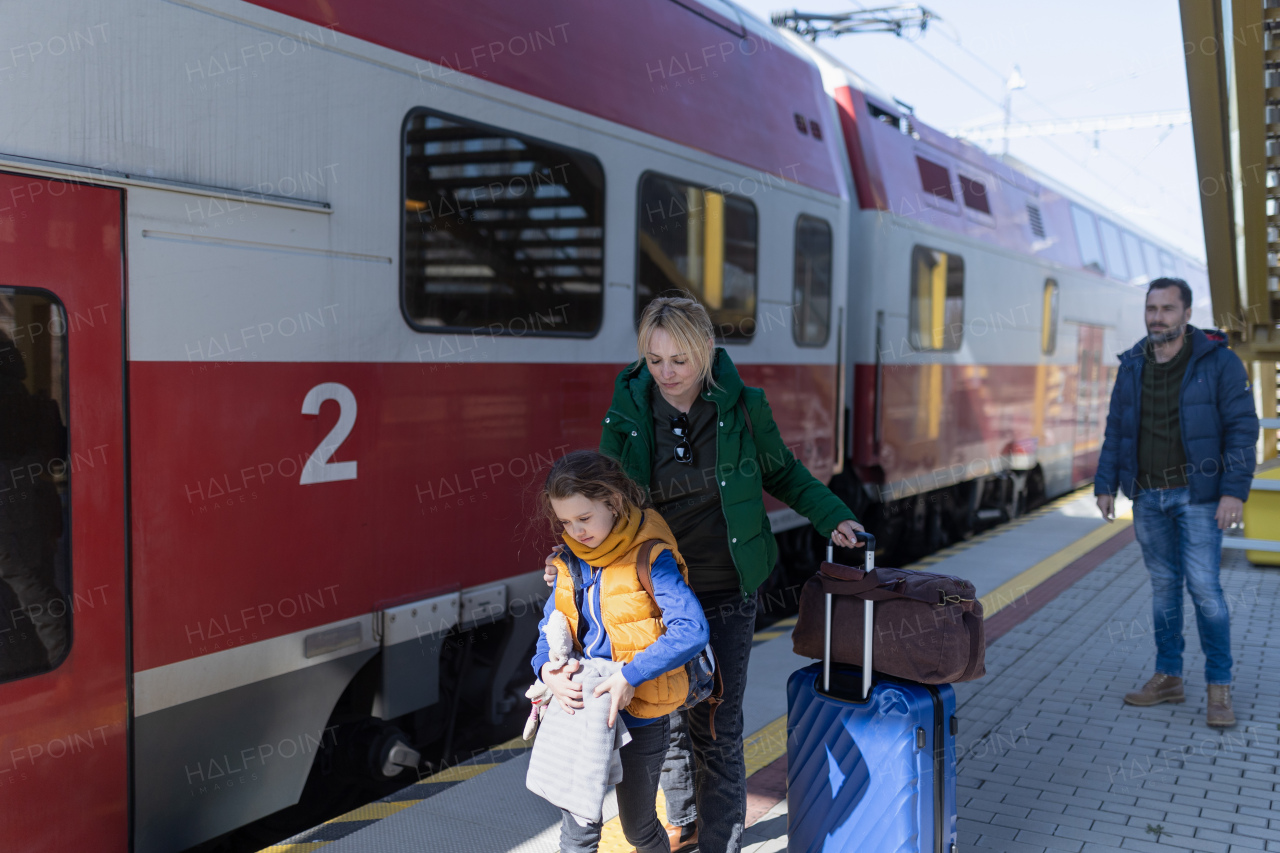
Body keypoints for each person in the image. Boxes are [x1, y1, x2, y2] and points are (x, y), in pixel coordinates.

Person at [546, 296, 864, 853]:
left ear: (706, 352)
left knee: (716, 725)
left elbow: (783, 474)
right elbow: (600, 497)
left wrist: (833, 515)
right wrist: (571, 557)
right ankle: (685, 819)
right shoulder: (628, 406)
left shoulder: (744, 409)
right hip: (652, 584)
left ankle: (722, 842)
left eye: (679, 360)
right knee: (662, 713)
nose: (666, 373)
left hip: (722, 581)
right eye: (654, 358)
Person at [1095, 278, 1257, 728]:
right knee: (1164, 589)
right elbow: (1117, 429)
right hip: (1147, 495)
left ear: (1186, 314)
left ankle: (1218, 687)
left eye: (1167, 309)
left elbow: (1243, 430)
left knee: (1205, 589)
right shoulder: (1132, 365)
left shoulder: (1219, 362)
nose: (1157, 317)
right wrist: (1105, 483)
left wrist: (1233, 492)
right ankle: (1169, 676)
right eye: (1151, 308)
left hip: (1200, 496)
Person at [532, 449, 710, 853]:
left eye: (584, 518)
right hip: (582, 710)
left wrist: (629, 676)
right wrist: (547, 672)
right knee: (578, 833)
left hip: (641, 712)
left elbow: (692, 630)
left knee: (639, 828)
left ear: (612, 503)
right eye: (564, 522)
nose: (576, 532)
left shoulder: (650, 555)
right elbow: (551, 628)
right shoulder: (566, 561)